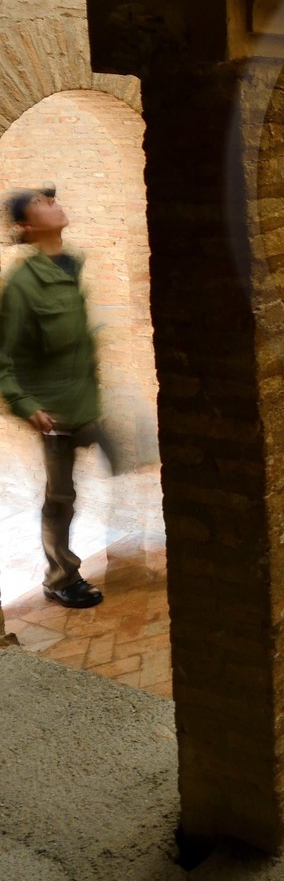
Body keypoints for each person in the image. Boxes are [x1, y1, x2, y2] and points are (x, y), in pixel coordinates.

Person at [0, 186, 105, 608]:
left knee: (137, 453)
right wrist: (27, 406)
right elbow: (3, 356)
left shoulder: (70, 265)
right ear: (27, 226)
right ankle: (61, 577)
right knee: (60, 499)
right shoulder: (22, 286)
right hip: (55, 412)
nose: (54, 203)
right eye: (43, 203)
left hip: (85, 400)